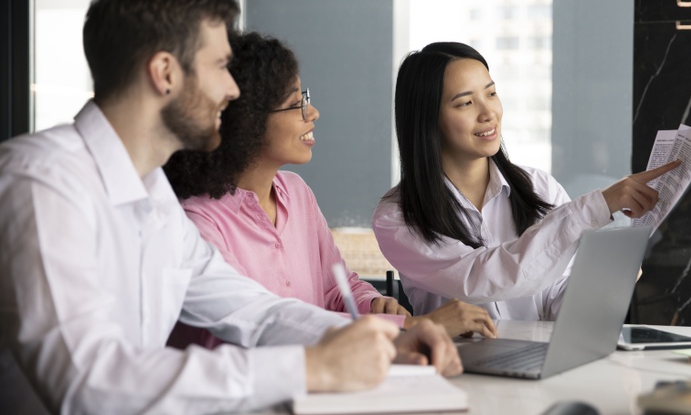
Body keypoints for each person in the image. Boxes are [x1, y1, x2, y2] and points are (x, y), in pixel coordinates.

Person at [0, 0, 460, 415]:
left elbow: (255, 311)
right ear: (165, 73)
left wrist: (383, 339)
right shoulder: (42, 182)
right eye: (220, 66)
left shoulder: (152, 194)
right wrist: (308, 367)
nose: (234, 90)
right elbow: (87, 387)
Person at [162, 31, 497, 344]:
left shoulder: (296, 192)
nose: (313, 113)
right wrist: (412, 327)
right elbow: (265, 327)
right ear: (246, 121)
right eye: (297, 104)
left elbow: (338, 288)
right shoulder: (198, 222)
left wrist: (373, 305)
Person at [372, 42, 679, 321]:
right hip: (456, 372)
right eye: (466, 103)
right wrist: (599, 205)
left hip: (535, 365)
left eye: (491, 93)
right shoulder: (399, 216)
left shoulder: (538, 187)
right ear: (428, 119)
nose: (488, 112)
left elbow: (557, 303)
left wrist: (608, 280)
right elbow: (486, 279)